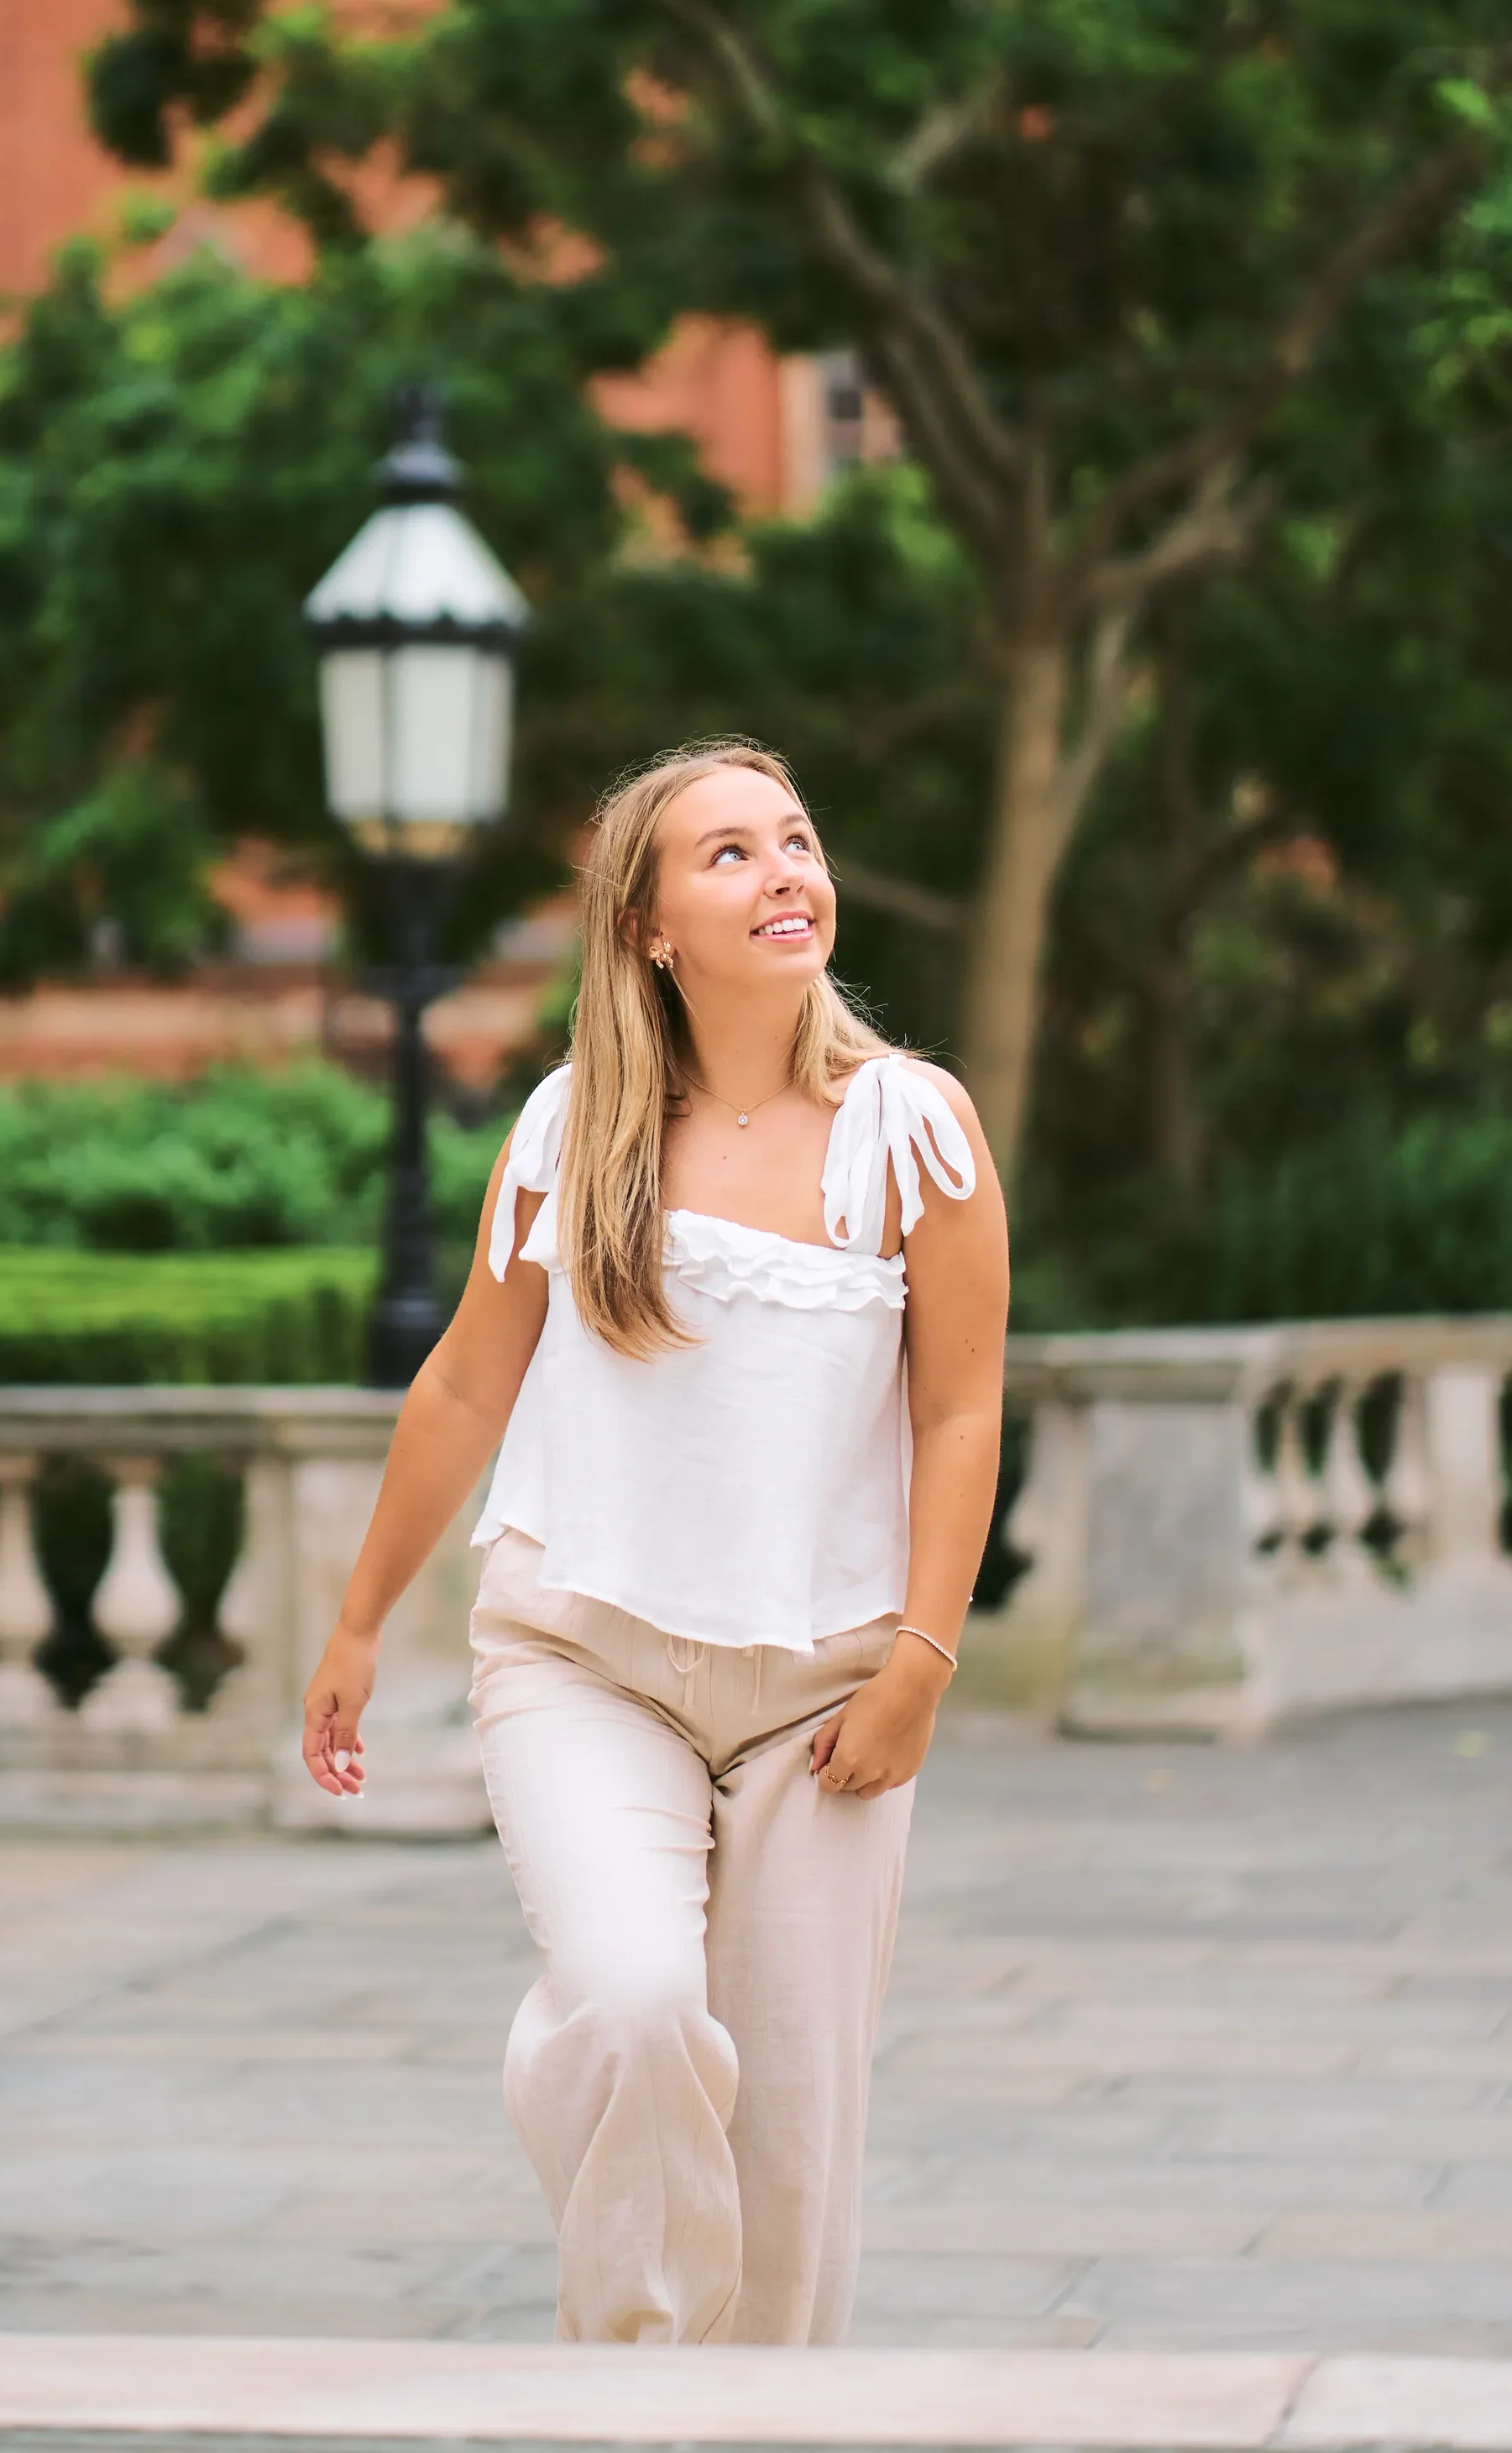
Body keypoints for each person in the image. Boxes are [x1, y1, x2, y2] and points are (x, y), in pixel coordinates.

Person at [301, 737, 1008, 2348]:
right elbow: (467, 1380)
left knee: (793, 2141)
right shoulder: (571, 1131)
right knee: (631, 2011)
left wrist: (922, 1663)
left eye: (799, 842)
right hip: (580, 1659)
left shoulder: (915, 1129)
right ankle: (628, 2396)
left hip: (823, 1695)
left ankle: (759, 2419)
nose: (785, 874)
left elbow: (963, 1415)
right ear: (649, 927)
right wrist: (358, 1626)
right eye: (732, 854)